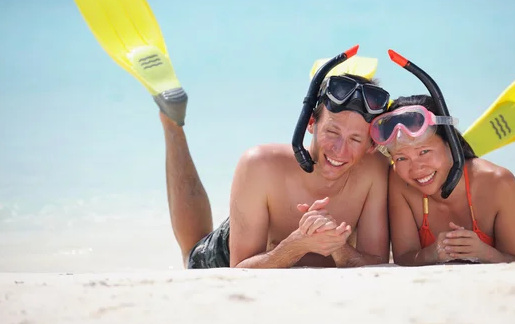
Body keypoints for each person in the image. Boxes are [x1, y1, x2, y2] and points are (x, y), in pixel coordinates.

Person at [157, 58, 393, 269]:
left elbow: (375, 262)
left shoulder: (375, 170)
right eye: (332, 132)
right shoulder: (260, 165)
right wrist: (296, 244)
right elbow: (239, 268)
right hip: (236, 251)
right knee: (191, 254)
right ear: (311, 122)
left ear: (370, 145)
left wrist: (336, 246)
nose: (340, 150)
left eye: (355, 139)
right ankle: (172, 123)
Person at [369, 94, 515, 266]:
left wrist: (484, 253)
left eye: (424, 152)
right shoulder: (400, 182)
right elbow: (404, 258)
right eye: (401, 158)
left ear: (451, 143)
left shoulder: (498, 181)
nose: (416, 168)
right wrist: (433, 254)